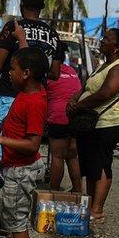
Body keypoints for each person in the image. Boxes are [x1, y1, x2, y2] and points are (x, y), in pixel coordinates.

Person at [0, 47, 49, 238]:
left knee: (17, 226)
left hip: (22, 170)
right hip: (13, 165)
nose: (9, 73)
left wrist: (1, 140)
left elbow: (33, 144)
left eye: (12, 69)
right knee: (11, 219)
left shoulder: (35, 102)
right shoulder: (25, 94)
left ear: (26, 73)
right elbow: (13, 121)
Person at [68, 28, 119, 223]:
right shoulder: (104, 66)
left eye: (107, 39)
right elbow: (88, 87)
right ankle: (89, 205)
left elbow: (105, 93)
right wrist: (74, 100)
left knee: (102, 165)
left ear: (117, 47)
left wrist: (79, 105)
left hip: (107, 124)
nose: (102, 41)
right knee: (89, 166)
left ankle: (97, 209)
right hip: (92, 125)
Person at [0, 0, 64, 134]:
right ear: (42, 6)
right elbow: (55, 74)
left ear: (21, 4)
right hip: (37, 98)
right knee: (26, 142)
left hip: (9, 95)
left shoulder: (13, 27)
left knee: (1, 144)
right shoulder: (52, 34)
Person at [45, 63, 83, 193]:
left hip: (58, 116)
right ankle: (78, 191)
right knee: (72, 156)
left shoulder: (48, 73)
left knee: (57, 157)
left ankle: (53, 192)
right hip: (75, 117)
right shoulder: (71, 70)